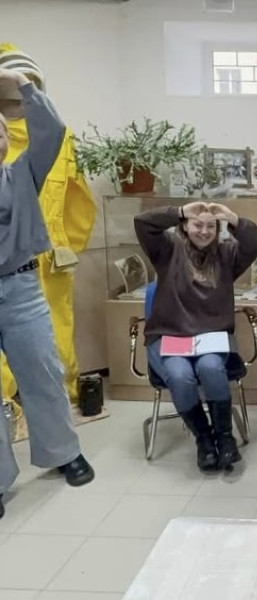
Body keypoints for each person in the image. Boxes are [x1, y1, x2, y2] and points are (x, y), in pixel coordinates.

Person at [0, 68, 95, 520]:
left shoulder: (22, 174)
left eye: (1, 133)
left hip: (21, 287)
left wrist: (20, 82)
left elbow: (51, 130)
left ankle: (64, 453)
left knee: (43, 373)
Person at [134, 201, 257, 472]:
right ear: (184, 226)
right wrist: (179, 211)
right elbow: (143, 223)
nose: (204, 231)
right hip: (169, 336)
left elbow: (255, 243)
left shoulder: (227, 255)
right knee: (180, 375)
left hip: (211, 337)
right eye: (197, 224)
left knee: (211, 367)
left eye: (211, 226)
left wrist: (233, 218)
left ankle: (225, 439)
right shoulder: (167, 249)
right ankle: (204, 440)